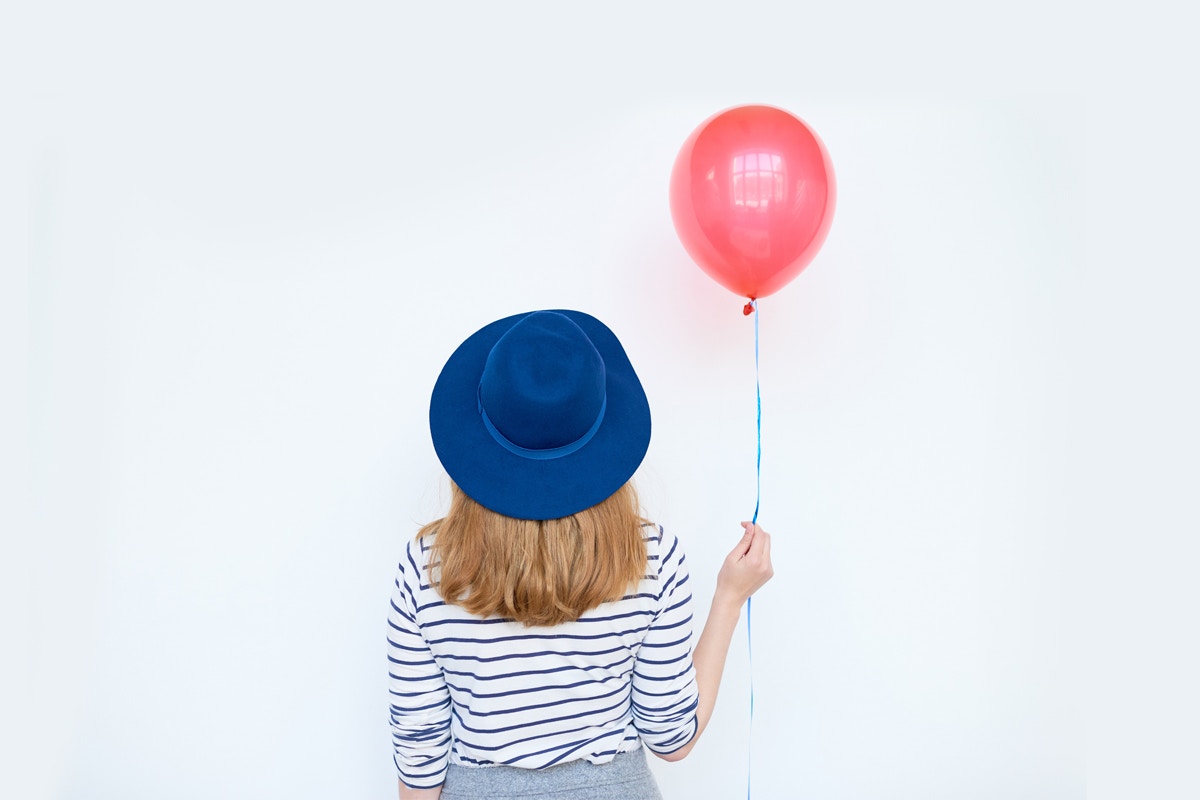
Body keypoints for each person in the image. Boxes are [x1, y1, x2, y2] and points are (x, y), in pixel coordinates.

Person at [388, 309, 773, 800]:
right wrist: (730, 597)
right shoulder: (651, 557)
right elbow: (672, 738)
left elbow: (419, 759)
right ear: (604, 430)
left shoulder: (427, 566)